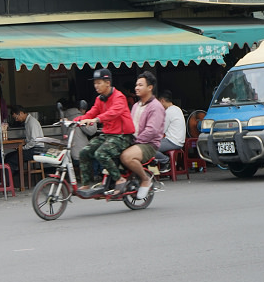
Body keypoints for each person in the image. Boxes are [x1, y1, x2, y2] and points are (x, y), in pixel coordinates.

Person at [74, 68, 135, 196]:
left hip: (122, 136)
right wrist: (76, 120)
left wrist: (96, 119)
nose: (96, 86)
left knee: (100, 153)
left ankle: (120, 179)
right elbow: (91, 112)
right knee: (84, 152)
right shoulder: (99, 99)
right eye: (95, 83)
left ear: (108, 83)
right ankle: (85, 184)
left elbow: (112, 113)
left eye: (99, 82)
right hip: (107, 135)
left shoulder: (119, 97)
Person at [120, 71, 166, 200]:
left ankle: (145, 179)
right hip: (135, 141)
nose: (136, 88)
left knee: (126, 156)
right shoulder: (136, 105)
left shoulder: (156, 107)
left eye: (140, 85)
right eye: (136, 85)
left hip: (148, 144)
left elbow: (151, 131)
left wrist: (135, 141)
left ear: (150, 87)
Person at [158, 89, 186, 155]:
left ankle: (165, 160)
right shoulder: (177, 109)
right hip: (178, 141)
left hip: (172, 142)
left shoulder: (168, 112)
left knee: (150, 148)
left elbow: (162, 130)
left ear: (162, 101)